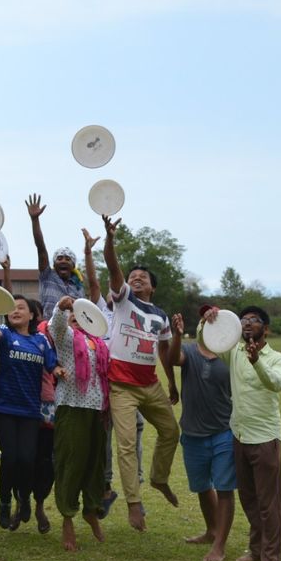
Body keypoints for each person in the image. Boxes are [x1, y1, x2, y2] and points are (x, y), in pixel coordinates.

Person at [102, 214, 180, 532]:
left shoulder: (160, 316)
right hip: (121, 385)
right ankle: (134, 504)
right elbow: (111, 265)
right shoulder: (123, 301)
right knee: (125, 445)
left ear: (152, 287)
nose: (135, 279)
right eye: (132, 275)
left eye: (142, 277)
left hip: (150, 385)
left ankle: (160, 479)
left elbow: (165, 353)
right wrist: (109, 238)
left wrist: (173, 385)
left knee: (171, 432)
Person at [200, 306, 281, 561]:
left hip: (265, 439)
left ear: (266, 328)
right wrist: (207, 321)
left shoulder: (278, 358)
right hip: (240, 436)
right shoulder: (235, 352)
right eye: (244, 320)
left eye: (255, 320)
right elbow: (207, 341)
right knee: (249, 499)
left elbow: (276, 384)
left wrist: (256, 362)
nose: (248, 323)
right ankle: (256, 549)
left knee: (268, 503)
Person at [0, 294, 62, 531]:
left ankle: (25, 497)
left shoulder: (41, 340)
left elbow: (52, 364)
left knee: (28, 459)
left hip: (30, 410)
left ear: (32, 315)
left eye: (21, 308)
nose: (15, 311)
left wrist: (59, 370)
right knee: (11, 458)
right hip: (6, 407)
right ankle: (5, 501)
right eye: (12, 308)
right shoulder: (5, 334)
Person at [167, 312, 236, 561]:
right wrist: (176, 333)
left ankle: (219, 545)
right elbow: (173, 358)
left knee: (225, 488)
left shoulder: (230, 355)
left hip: (223, 433)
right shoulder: (190, 352)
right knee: (202, 487)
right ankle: (211, 531)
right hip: (193, 434)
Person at [47, 295, 110, 551]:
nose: (76, 319)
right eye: (73, 316)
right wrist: (61, 309)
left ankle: (91, 511)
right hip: (71, 406)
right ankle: (68, 517)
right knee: (70, 462)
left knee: (96, 464)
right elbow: (56, 326)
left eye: (80, 316)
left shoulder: (100, 343)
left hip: (97, 409)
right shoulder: (67, 338)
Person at [26, 194, 86, 321]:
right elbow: (41, 248)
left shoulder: (79, 286)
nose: (63, 260)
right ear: (54, 263)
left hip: (74, 332)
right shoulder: (47, 275)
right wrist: (35, 220)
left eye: (67, 259)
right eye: (59, 258)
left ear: (73, 265)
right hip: (49, 328)